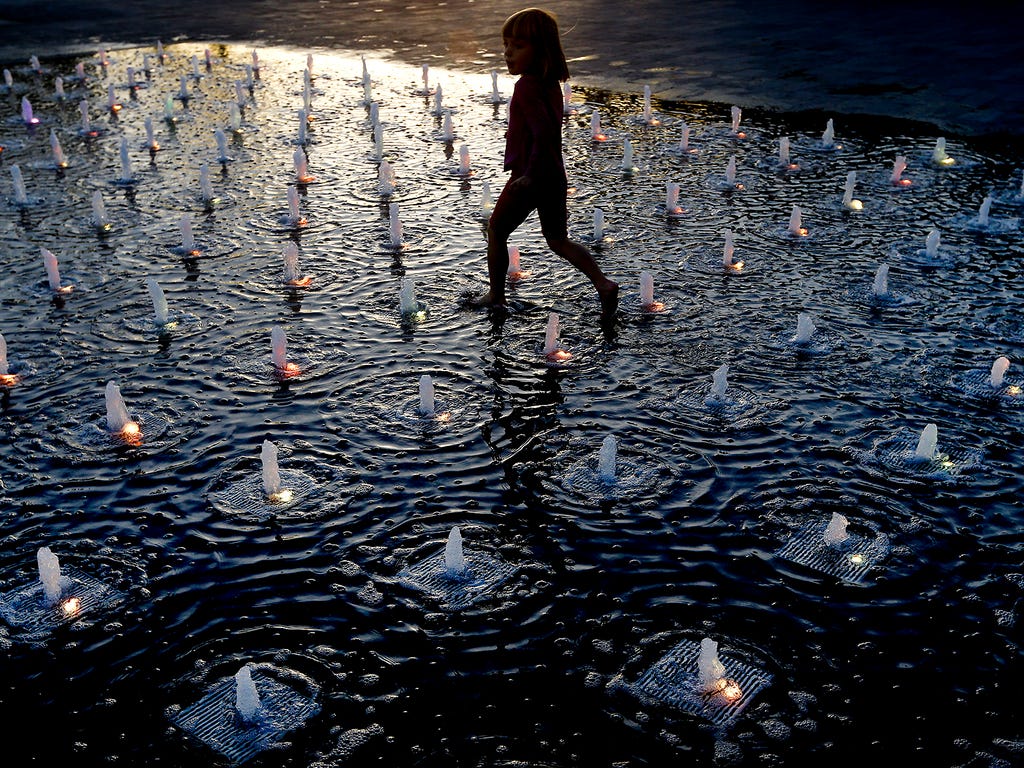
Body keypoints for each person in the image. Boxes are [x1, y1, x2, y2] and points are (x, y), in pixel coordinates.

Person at [473, 7, 618, 322]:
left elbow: (543, 134)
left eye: (518, 46)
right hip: (554, 175)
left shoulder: (526, 85)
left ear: (541, 50)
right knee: (557, 240)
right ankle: (603, 284)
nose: (508, 52)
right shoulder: (549, 82)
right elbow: (550, 134)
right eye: (506, 44)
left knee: (496, 230)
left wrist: (528, 175)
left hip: (532, 177)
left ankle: (496, 295)